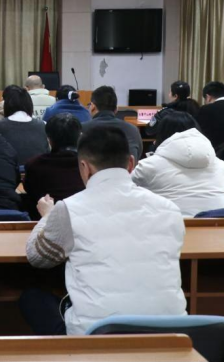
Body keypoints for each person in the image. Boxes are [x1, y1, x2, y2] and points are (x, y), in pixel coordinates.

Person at [20, 127, 186, 336]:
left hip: (96, 339)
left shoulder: (69, 209)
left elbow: (36, 256)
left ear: (84, 167)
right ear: (131, 163)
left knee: (32, 298)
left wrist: (47, 216)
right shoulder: (170, 209)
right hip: (170, 336)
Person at [132, 112, 224, 217]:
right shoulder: (220, 165)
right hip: (219, 225)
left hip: (171, 226)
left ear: (162, 135)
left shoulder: (149, 166)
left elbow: (127, 189)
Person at [22, 113, 85, 220]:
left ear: (49, 139)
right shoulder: (89, 164)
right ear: (80, 136)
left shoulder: (34, 164)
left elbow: (31, 191)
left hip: (43, 221)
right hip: (83, 220)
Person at [82, 86, 143, 163]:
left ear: (93, 106)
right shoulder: (133, 130)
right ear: (116, 109)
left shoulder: (82, 129)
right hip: (127, 170)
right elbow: (138, 155)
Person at [0, 86, 49, 165]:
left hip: (8, 170)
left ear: (6, 105)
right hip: (37, 170)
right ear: (30, 104)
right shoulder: (43, 125)